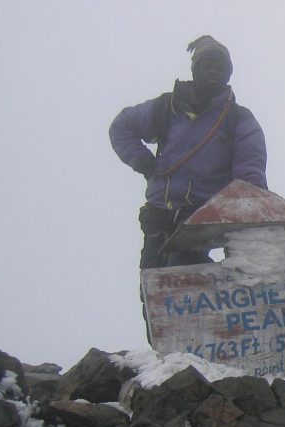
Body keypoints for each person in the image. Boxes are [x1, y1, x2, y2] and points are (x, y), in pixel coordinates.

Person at [110, 35, 268, 269]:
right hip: (159, 214)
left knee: (186, 270)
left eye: (220, 67)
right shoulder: (166, 107)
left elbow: (250, 167)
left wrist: (254, 205)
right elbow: (121, 127)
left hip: (205, 216)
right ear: (195, 69)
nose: (213, 71)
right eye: (207, 66)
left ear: (228, 73)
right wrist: (142, 161)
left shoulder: (238, 119)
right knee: (154, 286)